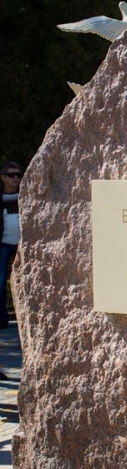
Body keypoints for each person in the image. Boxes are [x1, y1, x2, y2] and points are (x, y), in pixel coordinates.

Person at [0, 162, 22, 381]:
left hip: (22, 246)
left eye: (18, 175)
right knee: (0, 284)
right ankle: (2, 318)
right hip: (4, 245)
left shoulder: (25, 195)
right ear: (3, 178)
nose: (16, 179)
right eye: (12, 175)